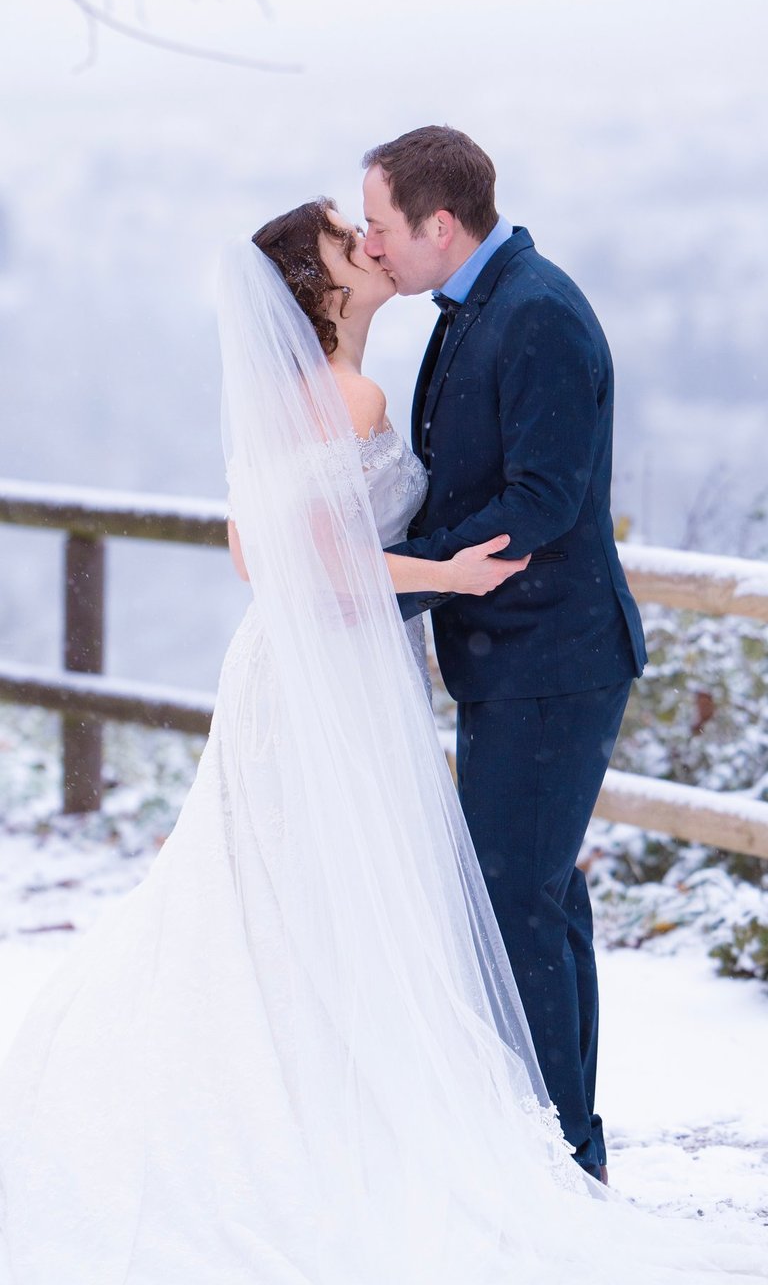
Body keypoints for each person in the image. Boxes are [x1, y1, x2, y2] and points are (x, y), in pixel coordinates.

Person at [0, 202, 762, 1285]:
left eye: (368, 225)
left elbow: (252, 555)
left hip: (305, 667)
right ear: (318, 288)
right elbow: (294, 558)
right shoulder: (344, 396)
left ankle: (317, 1102)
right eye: (341, 239)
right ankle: (338, 1126)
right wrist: (444, 576)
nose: (365, 244)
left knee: (301, 896)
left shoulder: (290, 398)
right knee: (334, 893)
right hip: (338, 669)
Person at [362, 125, 647, 1183]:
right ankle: (570, 1147)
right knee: (540, 901)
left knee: (510, 904)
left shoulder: (535, 314)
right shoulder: (484, 304)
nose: (376, 245)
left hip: (552, 663)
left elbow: (540, 501)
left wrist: (382, 575)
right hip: (515, 660)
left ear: (441, 225)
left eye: (385, 225)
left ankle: (559, 1162)